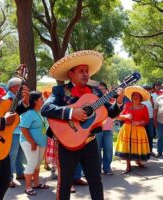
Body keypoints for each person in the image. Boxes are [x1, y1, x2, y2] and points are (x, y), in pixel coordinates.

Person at [41, 50, 124, 200]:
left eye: (87, 71)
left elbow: (109, 113)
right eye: (81, 71)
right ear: (71, 74)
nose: (86, 74)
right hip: (66, 143)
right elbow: (46, 109)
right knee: (65, 183)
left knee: (96, 181)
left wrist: (119, 102)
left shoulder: (96, 92)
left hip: (89, 142)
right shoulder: (60, 91)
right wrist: (72, 113)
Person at [0, 41, 30, 200]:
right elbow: (2, 119)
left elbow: (7, 112)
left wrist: (24, 104)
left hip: (0, 147)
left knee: (3, 183)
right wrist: (2, 122)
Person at [115, 86, 151, 173]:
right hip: (127, 128)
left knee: (137, 147)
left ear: (140, 98)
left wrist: (140, 123)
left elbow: (146, 120)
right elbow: (118, 116)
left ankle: (138, 161)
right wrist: (125, 116)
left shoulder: (144, 107)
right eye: (133, 95)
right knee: (128, 147)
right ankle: (128, 166)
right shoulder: (127, 105)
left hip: (139, 130)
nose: (135, 97)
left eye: (137, 95)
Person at [19, 91, 49, 195]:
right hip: (29, 142)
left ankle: (36, 184)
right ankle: (28, 188)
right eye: (41, 99)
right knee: (32, 163)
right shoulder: (29, 113)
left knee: (37, 164)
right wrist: (32, 142)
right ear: (35, 101)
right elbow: (23, 128)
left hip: (41, 142)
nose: (43, 100)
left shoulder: (41, 111)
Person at [4, 77, 26, 188]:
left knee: (20, 154)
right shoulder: (7, 98)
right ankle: (8, 178)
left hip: (19, 130)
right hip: (12, 132)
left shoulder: (17, 98)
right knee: (12, 154)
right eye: (20, 86)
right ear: (13, 87)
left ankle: (20, 173)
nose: (22, 89)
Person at [96, 82, 115, 175]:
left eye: (102, 89)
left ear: (106, 90)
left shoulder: (110, 102)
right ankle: (97, 168)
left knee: (108, 149)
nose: (100, 91)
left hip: (108, 129)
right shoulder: (94, 101)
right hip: (97, 129)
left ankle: (107, 168)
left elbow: (115, 112)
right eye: (98, 89)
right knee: (97, 149)